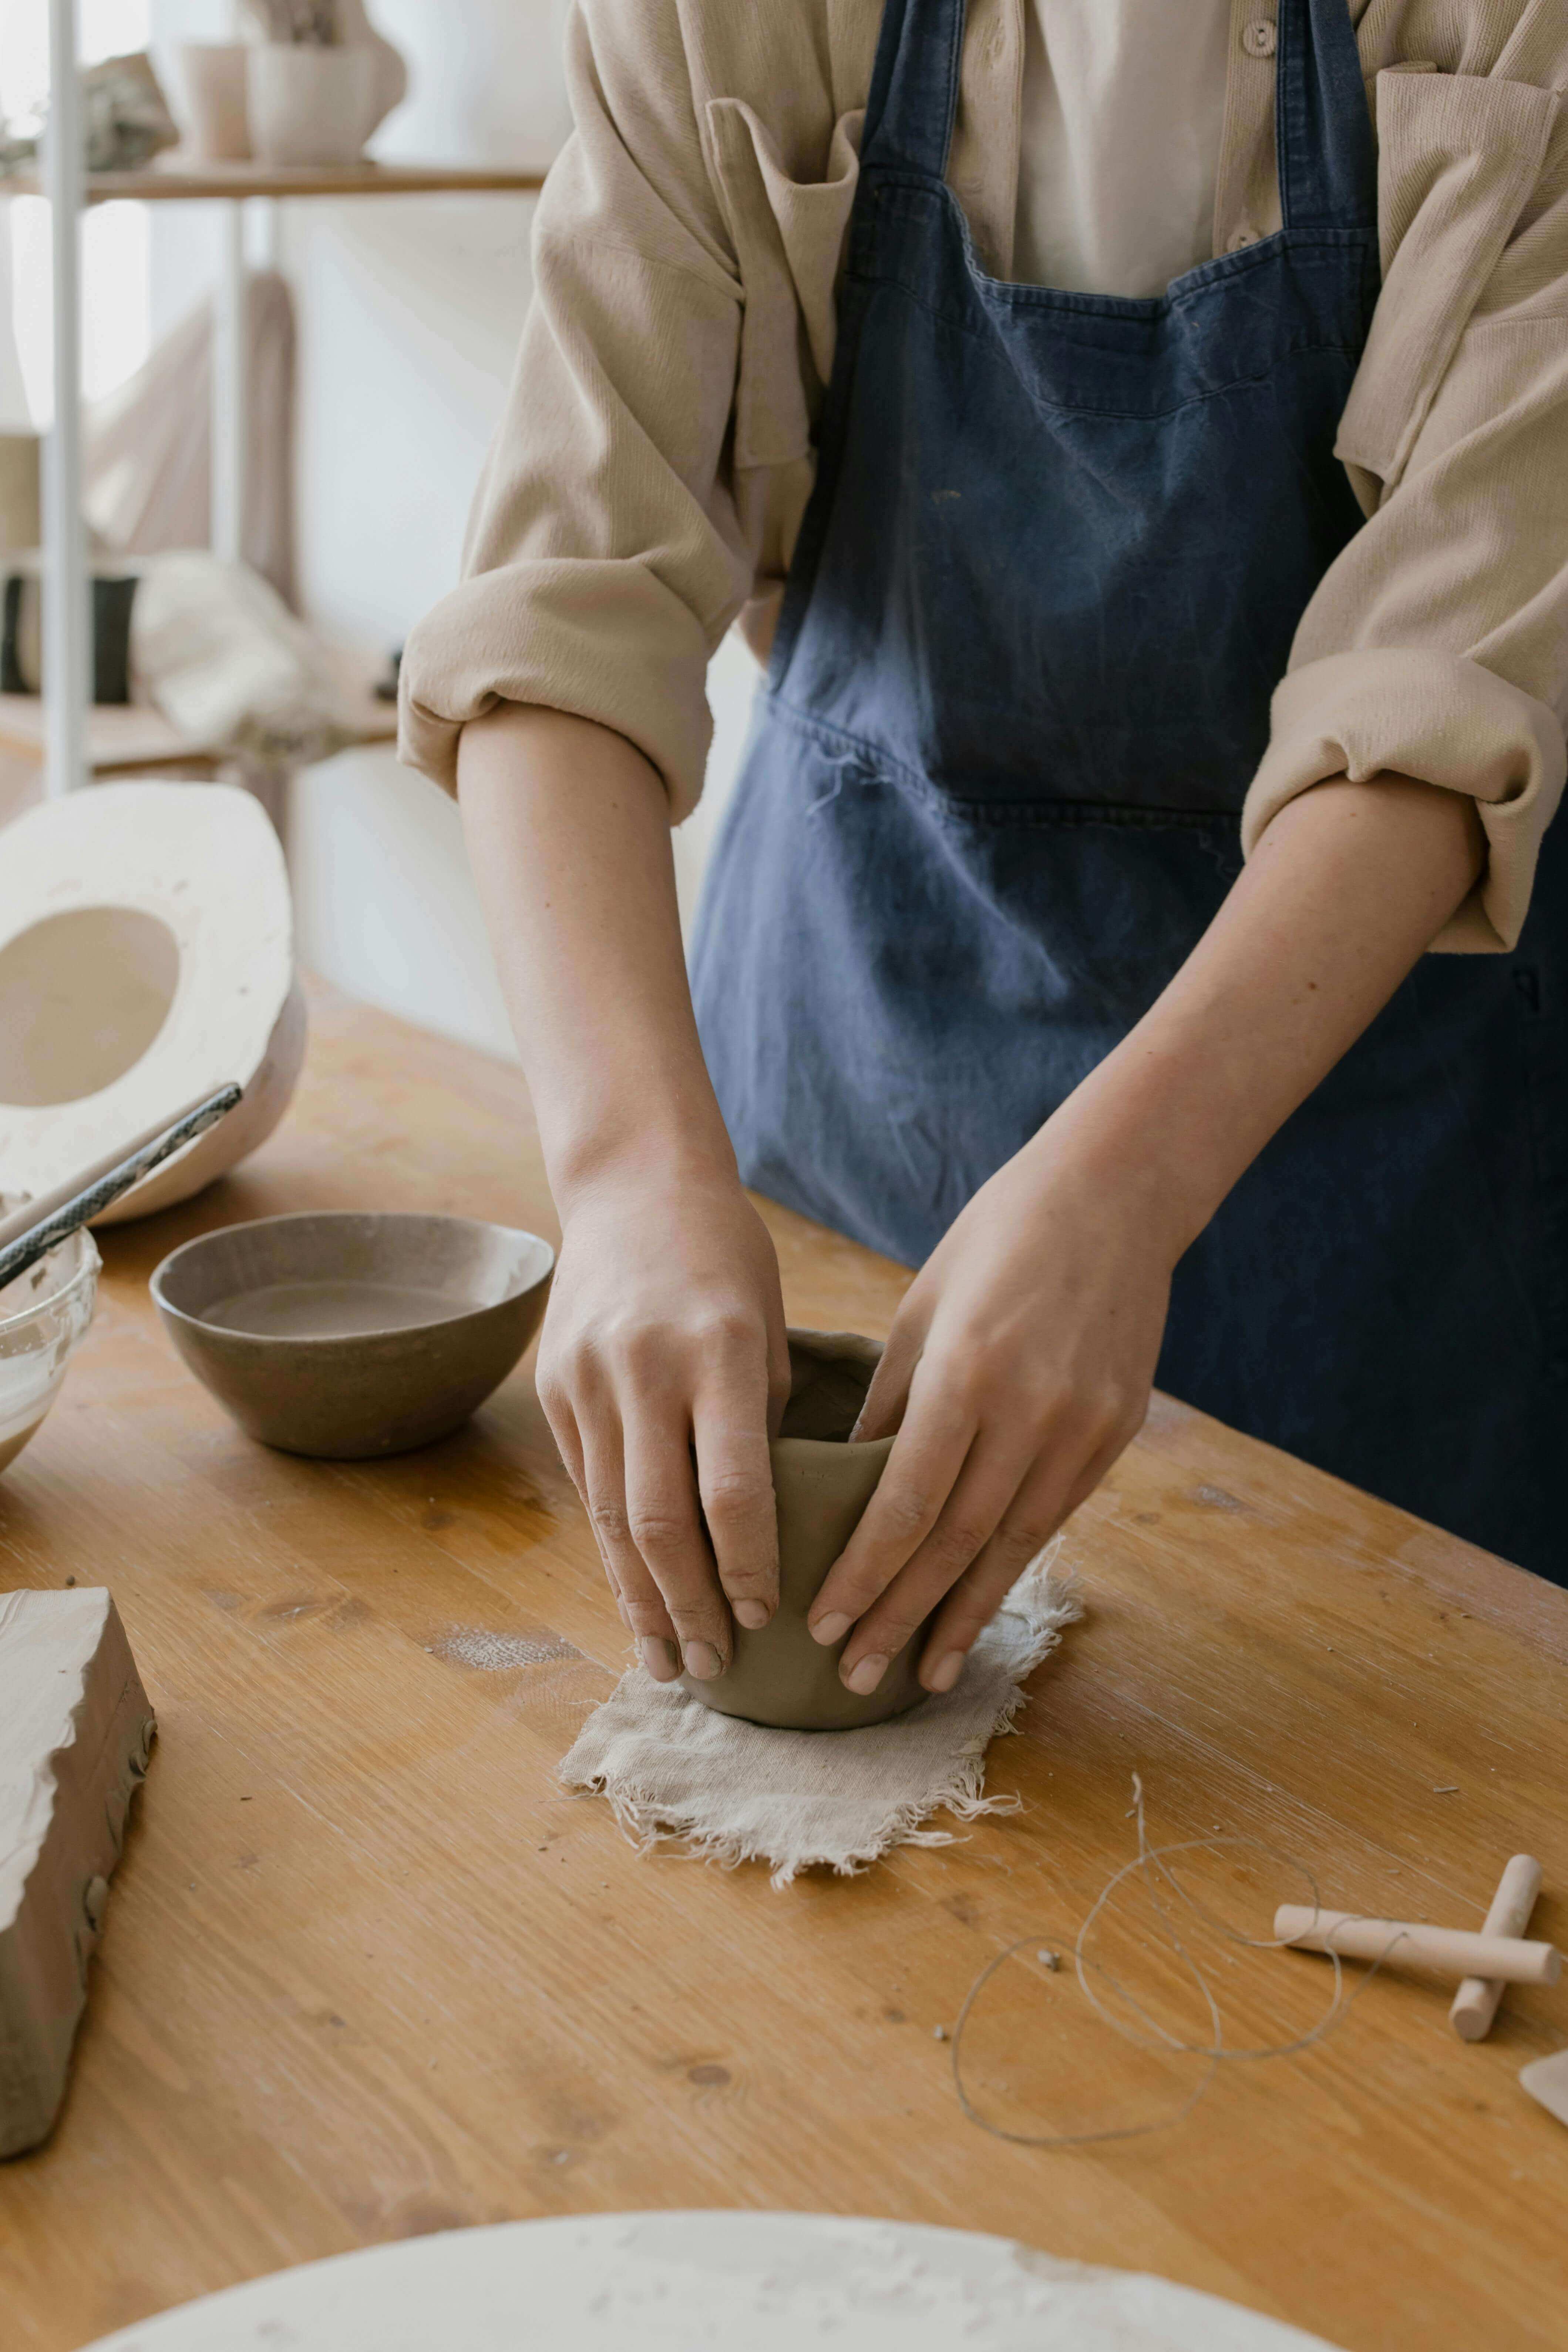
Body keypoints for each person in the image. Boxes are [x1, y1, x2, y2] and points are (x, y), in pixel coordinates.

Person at [400, 0, 1568, 1693]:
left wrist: (1124, 1188)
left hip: (1365, 1139)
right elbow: (558, 620)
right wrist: (625, 1176)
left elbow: (1442, 698)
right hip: (857, 1046)